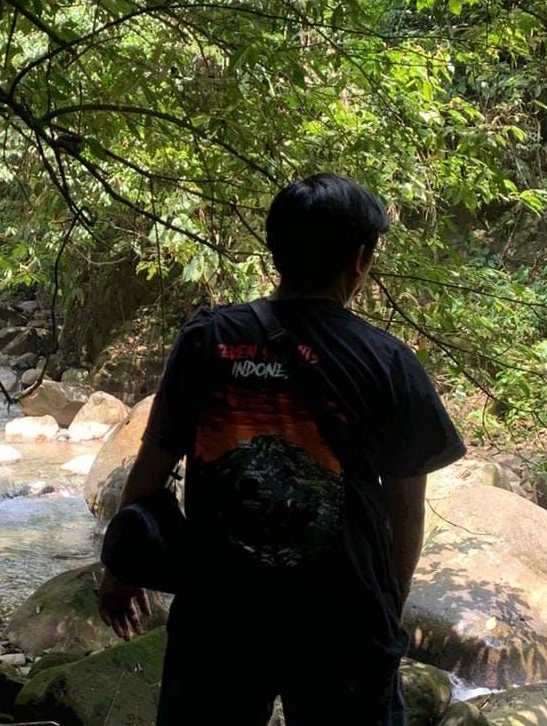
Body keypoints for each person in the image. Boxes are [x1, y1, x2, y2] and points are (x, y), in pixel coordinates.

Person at [99, 174, 465, 725]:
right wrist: (388, 606)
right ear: (360, 259)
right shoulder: (387, 361)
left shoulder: (208, 340)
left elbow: (154, 462)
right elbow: (404, 510)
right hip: (343, 620)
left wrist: (121, 567)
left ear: (276, 249)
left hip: (222, 614)